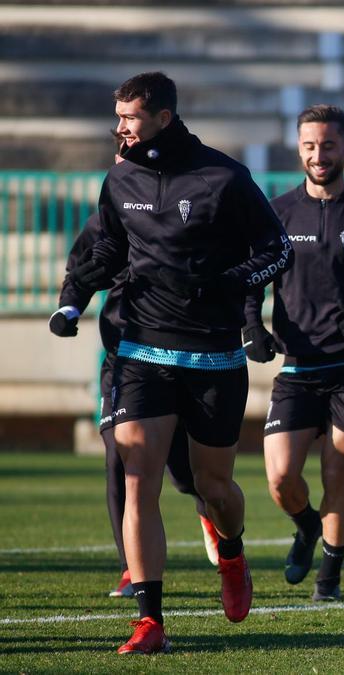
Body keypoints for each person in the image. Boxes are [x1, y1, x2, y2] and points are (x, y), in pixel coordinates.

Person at [72, 71, 292, 654]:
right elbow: (111, 245)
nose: (118, 127)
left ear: (163, 118)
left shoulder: (225, 177)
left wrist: (232, 283)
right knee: (139, 476)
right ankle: (151, 622)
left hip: (214, 355)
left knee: (213, 487)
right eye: (117, 116)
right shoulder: (120, 176)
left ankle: (234, 551)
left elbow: (278, 250)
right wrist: (79, 292)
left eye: (130, 117)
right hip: (140, 348)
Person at [49, 130, 220, 600]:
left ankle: (209, 511)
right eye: (121, 152)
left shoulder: (182, 214)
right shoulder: (106, 218)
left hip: (183, 354)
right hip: (125, 358)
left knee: (183, 470)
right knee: (120, 458)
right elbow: (80, 270)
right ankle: (132, 569)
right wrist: (68, 308)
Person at [244, 105, 344, 601]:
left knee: (338, 474)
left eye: (328, 145)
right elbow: (253, 278)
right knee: (282, 478)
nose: (318, 154)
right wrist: (253, 326)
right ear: (299, 148)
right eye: (309, 145)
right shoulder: (279, 212)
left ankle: (328, 579)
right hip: (298, 366)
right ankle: (306, 525)